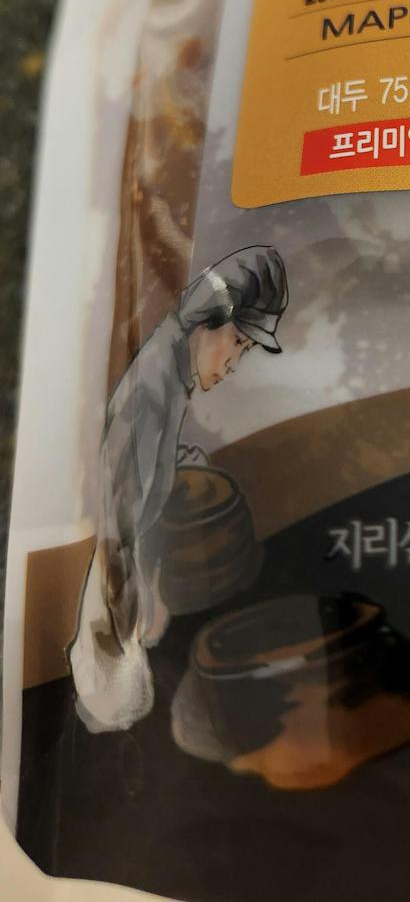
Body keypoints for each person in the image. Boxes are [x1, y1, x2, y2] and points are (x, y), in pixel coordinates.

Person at [68, 246, 288, 733]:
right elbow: (117, 525)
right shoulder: (153, 387)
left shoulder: (168, 371)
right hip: (116, 590)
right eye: (238, 342)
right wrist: (136, 606)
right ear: (207, 322)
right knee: (119, 709)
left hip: (128, 577)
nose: (235, 362)